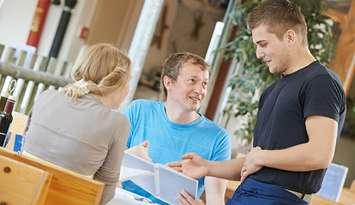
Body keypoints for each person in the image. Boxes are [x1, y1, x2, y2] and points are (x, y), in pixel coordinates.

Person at [169, 0, 346, 205]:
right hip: (246, 194)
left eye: (263, 44)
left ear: (290, 37)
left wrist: (260, 158)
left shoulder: (320, 81)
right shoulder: (271, 91)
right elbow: (256, 161)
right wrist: (207, 167)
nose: (258, 54)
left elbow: (319, 154)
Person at [24, 43, 132, 204]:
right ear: (117, 82)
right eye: (128, 81)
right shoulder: (117, 123)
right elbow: (104, 192)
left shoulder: (45, 97)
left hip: (21, 195)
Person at [123, 52, 231, 205]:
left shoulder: (218, 138)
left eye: (204, 83)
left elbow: (216, 201)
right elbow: (108, 167)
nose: (200, 90)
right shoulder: (138, 110)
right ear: (168, 82)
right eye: (192, 81)